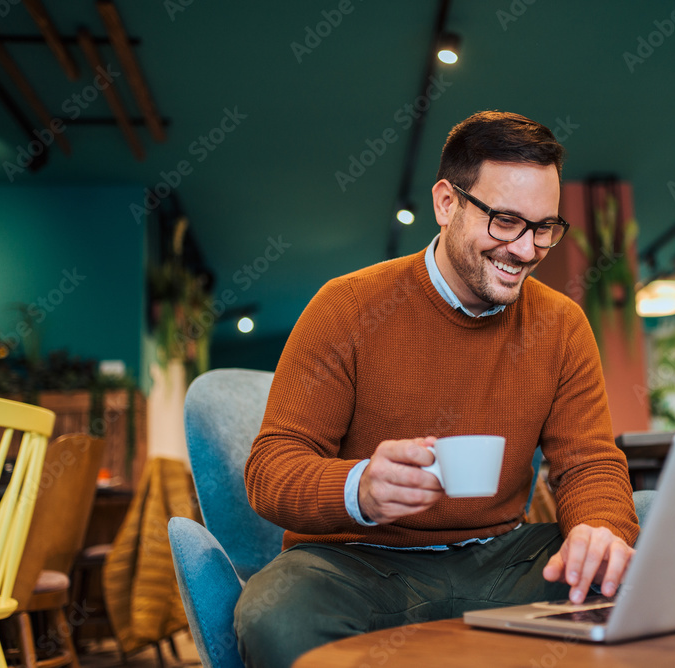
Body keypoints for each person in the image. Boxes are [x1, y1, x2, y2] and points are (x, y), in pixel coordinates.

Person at [235, 110, 639, 667]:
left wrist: (601, 529)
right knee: (274, 613)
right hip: (361, 567)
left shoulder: (562, 325)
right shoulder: (346, 307)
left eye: (545, 227)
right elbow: (271, 470)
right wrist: (361, 488)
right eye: (504, 221)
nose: (525, 250)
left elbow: (589, 463)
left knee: (640, 544)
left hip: (504, 565)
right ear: (447, 203)